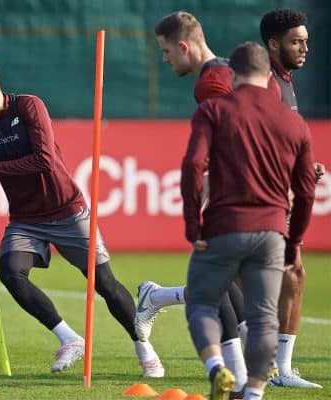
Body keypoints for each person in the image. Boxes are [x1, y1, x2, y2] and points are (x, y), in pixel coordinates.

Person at [0, 56, 164, 377]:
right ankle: (69, 339)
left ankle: (144, 348)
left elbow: (44, 160)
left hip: (68, 210)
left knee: (104, 284)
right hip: (25, 219)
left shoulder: (28, 107)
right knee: (11, 274)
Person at [182, 41, 315, 400]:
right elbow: (305, 192)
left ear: (233, 74)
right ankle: (255, 394)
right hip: (272, 231)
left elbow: (194, 165)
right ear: (268, 76)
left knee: (201, 302)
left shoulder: (214, 110)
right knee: (263, 318)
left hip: (224, 226)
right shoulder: (294, 122)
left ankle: (216, 367)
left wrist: (193, 223)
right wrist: (295, 238)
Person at [137, 11, 248, 395]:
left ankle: (236, 379)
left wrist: (209, 181)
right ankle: (241, 377)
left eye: (167, 52)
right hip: (255, 196)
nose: (165, 59)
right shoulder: (233, 71)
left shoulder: (210, 85)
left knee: (214, 284)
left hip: (236, 198)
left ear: (184, 46)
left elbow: (232, 140)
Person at [260, 8, 324, 388]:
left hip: (274, 191)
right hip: (262, 195)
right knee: (288, 273)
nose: (304, 48)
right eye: (296, 41)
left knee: (280, 275)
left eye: (306, 41)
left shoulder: (285, 80)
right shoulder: (267, 83)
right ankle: (278, 369)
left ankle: (158, 297)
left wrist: (304, 165)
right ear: (273, 43)